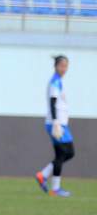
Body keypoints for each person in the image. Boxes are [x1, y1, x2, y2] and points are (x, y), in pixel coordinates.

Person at [35, 55, 75, 198]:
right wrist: (56, 122)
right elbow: (53, 103)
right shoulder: (55, 82)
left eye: (66, 66)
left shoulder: (59, 81)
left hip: (59, 123)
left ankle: (45, 177)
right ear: (56, 66)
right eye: (62, 66)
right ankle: (52, 185)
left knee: (63, 154)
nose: (64, 69)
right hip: (56, 124)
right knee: (67, 152)